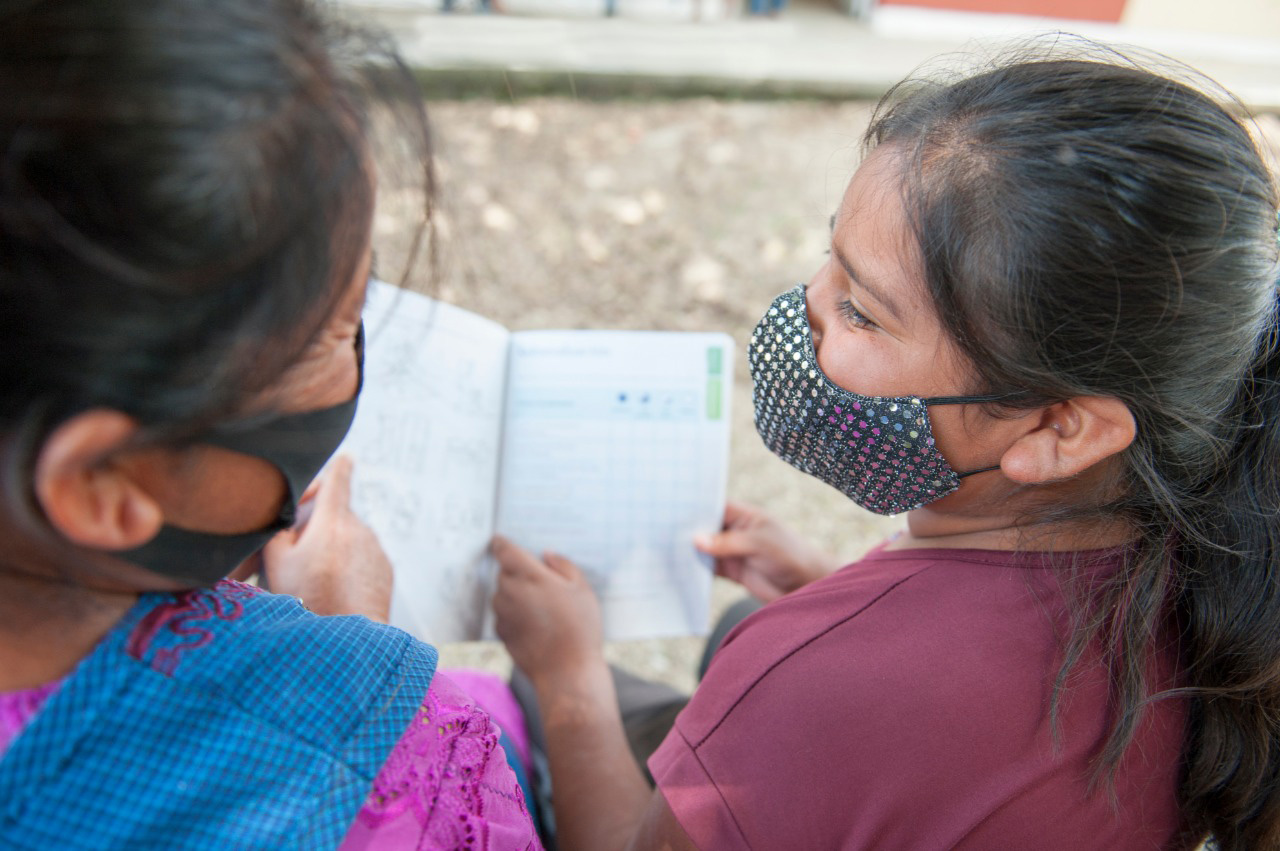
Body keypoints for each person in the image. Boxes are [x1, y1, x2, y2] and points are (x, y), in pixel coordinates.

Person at [491, 50, 1280, 850]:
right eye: (829, 257)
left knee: (538, 677)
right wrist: (826, 589)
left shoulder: (815, 680)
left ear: (1059, 429)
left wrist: (567, 677)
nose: (806, 307)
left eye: (861, 312)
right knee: (740, 618)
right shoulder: (1221, 580)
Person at [0, 1, 539, 848]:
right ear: (101, 484)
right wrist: (344, 653)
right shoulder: (400, 763)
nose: (360, 354)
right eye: (335, 326)